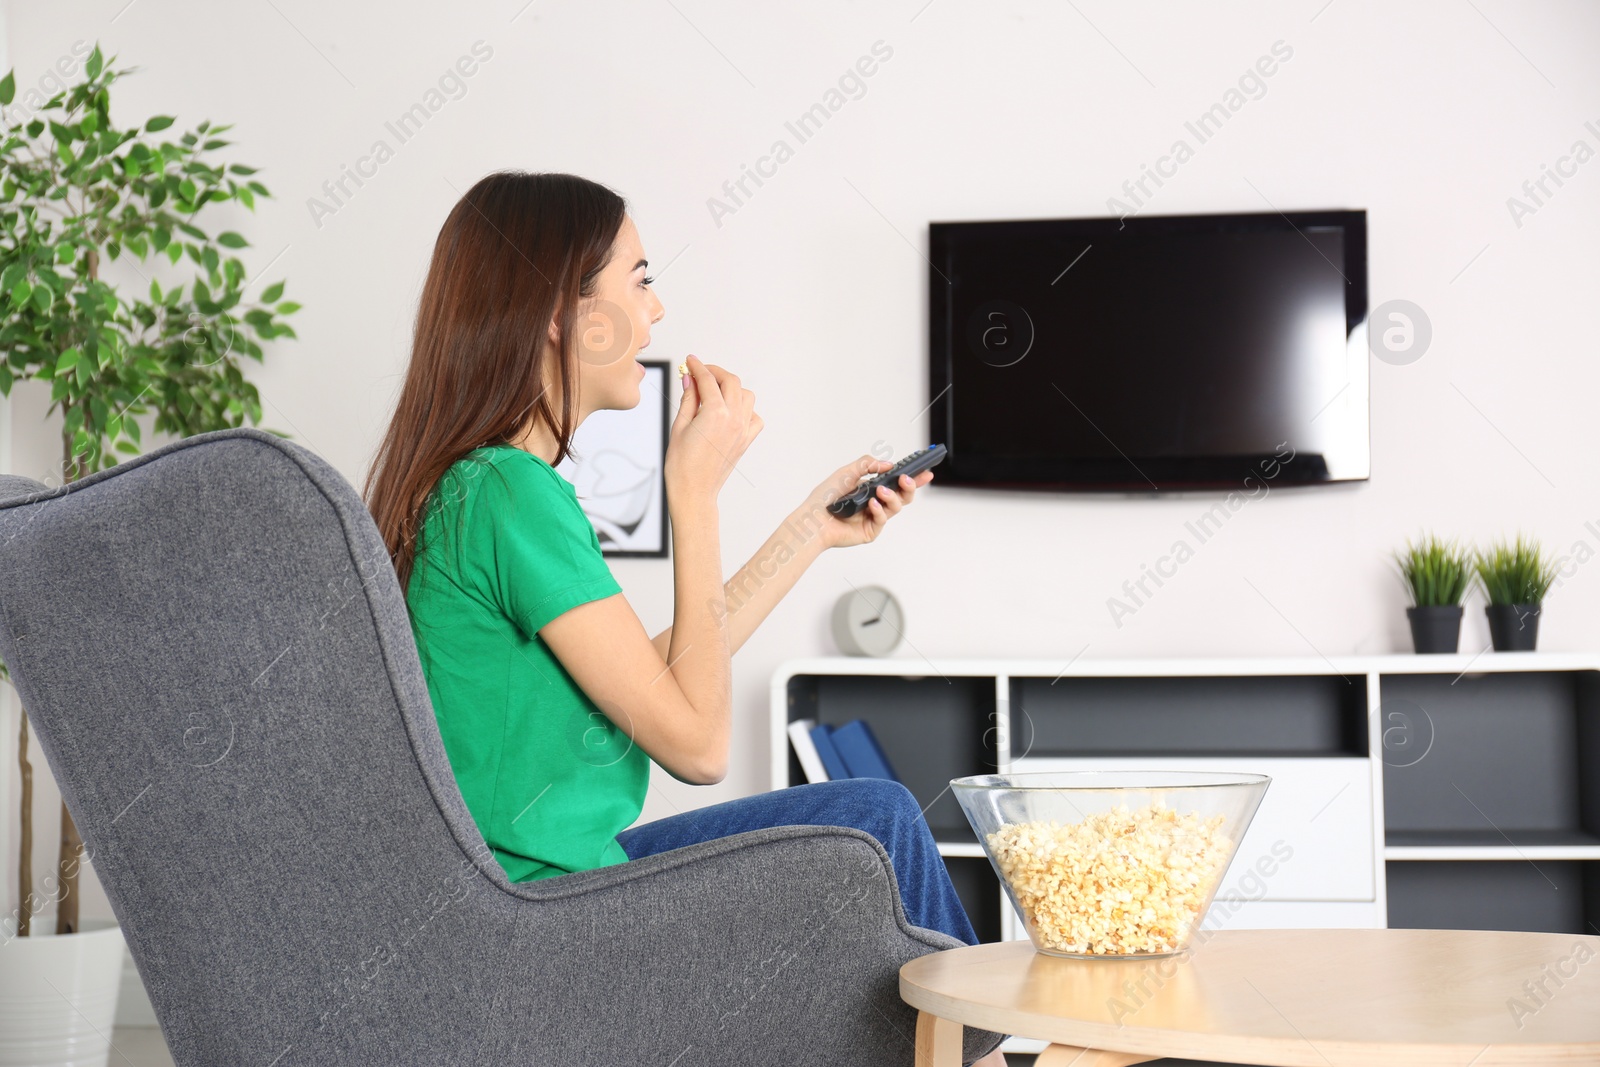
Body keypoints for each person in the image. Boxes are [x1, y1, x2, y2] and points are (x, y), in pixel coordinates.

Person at [365, 170, 1005, 1065]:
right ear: (563, 311)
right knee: (878, 821)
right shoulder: (508, 490)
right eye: (640, 277)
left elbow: (650, 679)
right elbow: (698, 745)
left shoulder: (479, 487)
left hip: (541, 890)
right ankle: (983, 1053)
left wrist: (804, 535)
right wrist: (692, 491)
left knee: (871, 824)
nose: (657, 311)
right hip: (545, 917)